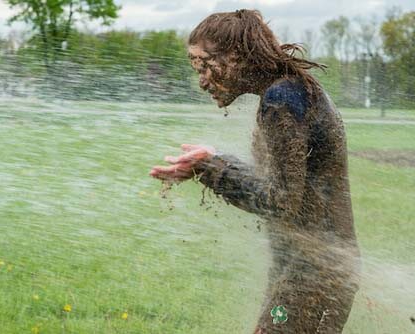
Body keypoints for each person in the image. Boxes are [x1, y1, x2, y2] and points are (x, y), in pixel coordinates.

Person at [149, 9, 360, 334]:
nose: (202, 80)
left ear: (235, 56)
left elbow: (280, 199)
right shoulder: (290, 91)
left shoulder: (282, 101)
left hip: (314, 272)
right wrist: (214, 160)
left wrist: (211, 167)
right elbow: (283, 183)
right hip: (312, 268)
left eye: (205, 65)